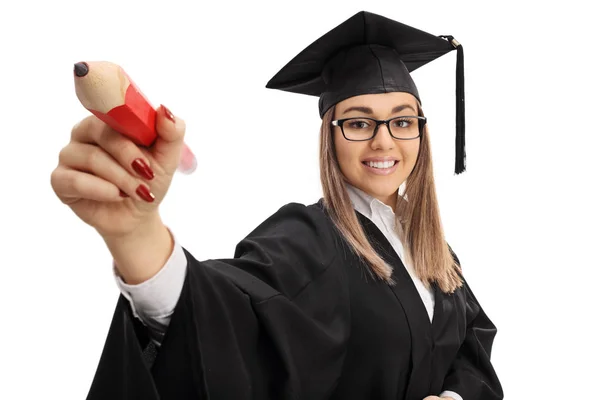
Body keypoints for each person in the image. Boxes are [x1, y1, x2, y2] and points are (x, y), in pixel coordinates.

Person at [50, 10, 503, 400]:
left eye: (403, 121)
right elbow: (226, 313)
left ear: (422, 132)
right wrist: (137, 236)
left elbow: (471, 339)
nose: (384, 140)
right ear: (329, 137)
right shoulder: (310, 238)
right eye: (359, 122)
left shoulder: (431, 248)